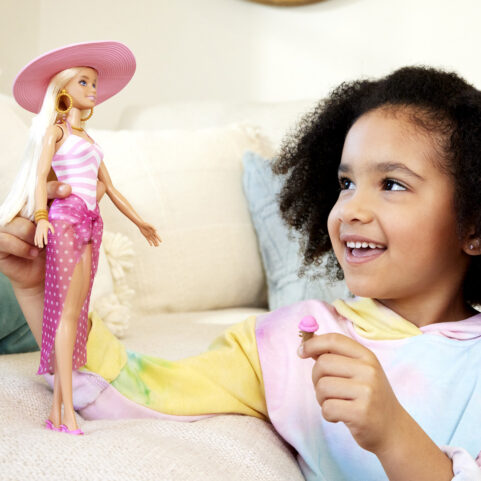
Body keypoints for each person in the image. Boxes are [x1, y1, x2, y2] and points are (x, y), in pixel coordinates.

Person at [1, 65, 480, 480]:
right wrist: (45, 286)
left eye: (391, 184)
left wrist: (394, 434)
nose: (351, 209)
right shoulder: (290, 341)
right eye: (346, 182)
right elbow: (130, 391)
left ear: (473, 225)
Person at [0, 41, 161, 435]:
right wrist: (41, 217)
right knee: (65, 314)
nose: (92, 89)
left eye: (94, 83)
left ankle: (59, 410)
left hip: (91, 222)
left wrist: (140, 222)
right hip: (66, 220)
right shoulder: (55, 132)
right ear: (63, 89)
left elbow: (111, 188)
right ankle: (64, 411)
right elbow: (39, 177)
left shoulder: (89, 141)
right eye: (84, 81)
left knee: (75, 310)